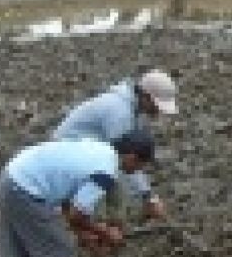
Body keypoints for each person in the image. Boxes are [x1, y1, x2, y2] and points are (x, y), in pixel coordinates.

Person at [0, 132, 155, 257]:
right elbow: (76, 215)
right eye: (140, 165)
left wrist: (83, 232)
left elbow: (66, 194)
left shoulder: (97, 147)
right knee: (61, 256)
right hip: (28, 190)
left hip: (10, 177)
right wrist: (104, 233)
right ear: (131, 157)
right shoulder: (106, 171)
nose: (137, 171)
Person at [53, 70, 178, 221]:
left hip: (85, 153)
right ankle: (93, 228)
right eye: (157, 106)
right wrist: (148, 196)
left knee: (112, 188)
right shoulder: (119, 112)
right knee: (105, 189)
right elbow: (128, 161)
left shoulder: (132, 109)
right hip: (70, 156)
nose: (158, 111)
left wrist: (147, 196)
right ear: (145, 96)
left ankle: (106, 228)